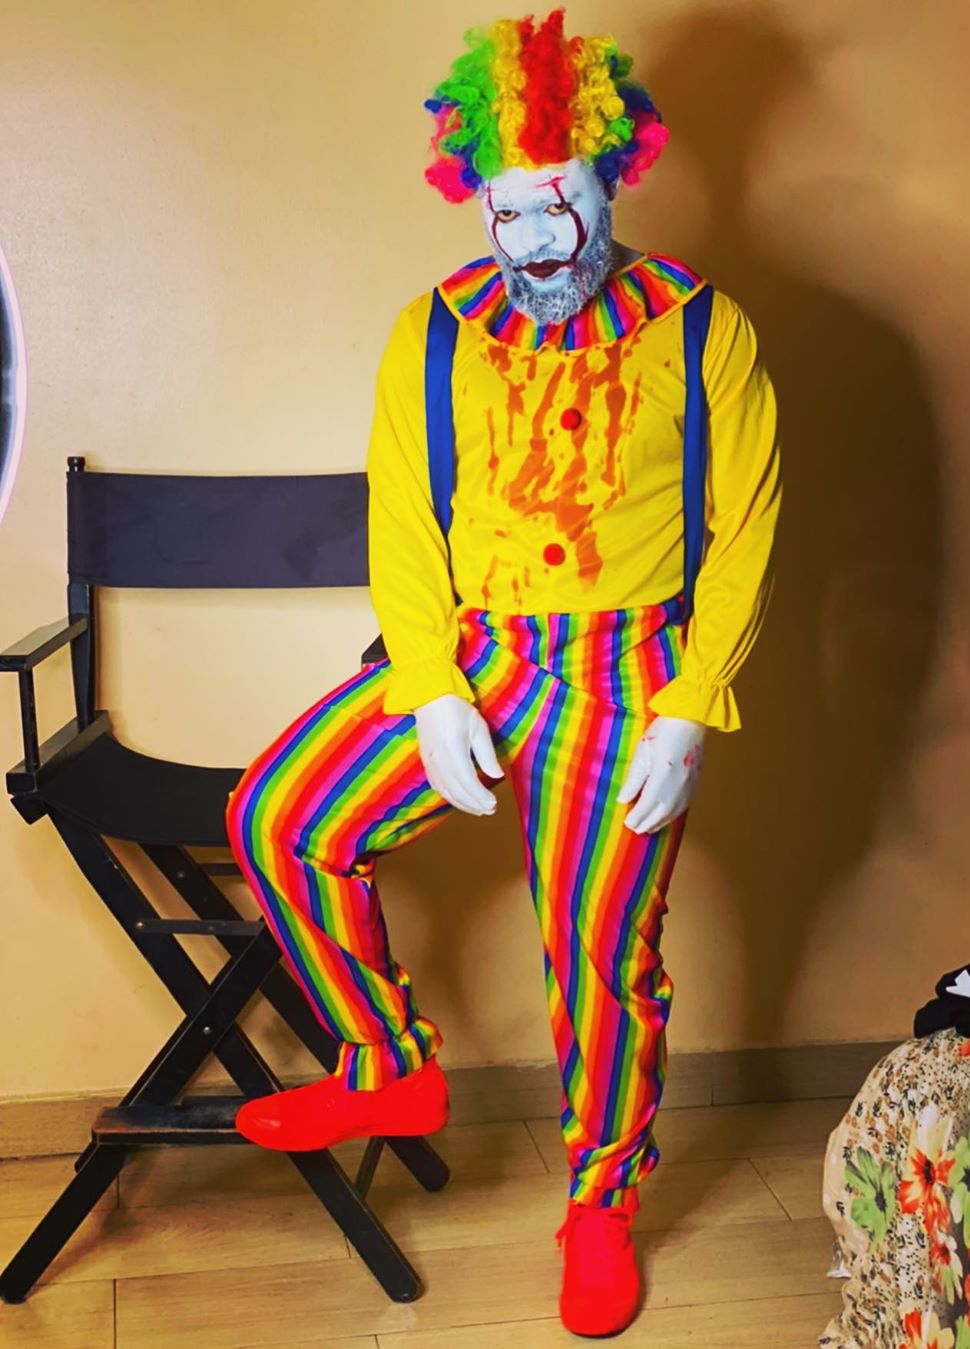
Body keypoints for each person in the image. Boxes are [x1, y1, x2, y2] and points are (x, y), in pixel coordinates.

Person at [225, 8, 781, 1337]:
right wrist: (428, 684)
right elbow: (403, 523)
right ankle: (388, 1062)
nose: (535, 239)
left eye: (560, 202)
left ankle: (599, 1203)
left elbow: (748, 526)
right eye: (509, 209)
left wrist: (692, 707)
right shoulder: (432, 331)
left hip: (630, 672)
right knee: (281, 817)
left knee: (600, 953)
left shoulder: (704, 329)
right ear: (475, 199)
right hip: (475, 653)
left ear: (613, 180)